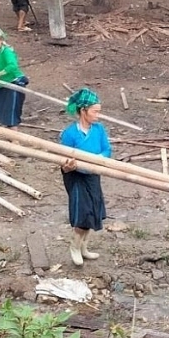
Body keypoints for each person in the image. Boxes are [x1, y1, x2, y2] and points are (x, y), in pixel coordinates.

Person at [59, 88, 112, 266]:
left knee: (92, 212)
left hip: (93, 174)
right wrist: (68, 166)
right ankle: (74, 246)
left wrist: (99, 159)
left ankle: (84, 248)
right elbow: (63, 161)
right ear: (83, 111)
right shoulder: (70, 134)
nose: (98, 115)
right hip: (76, 178)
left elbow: (107, 149)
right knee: (82, 213)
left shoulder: (98, 130)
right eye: (95, 111)